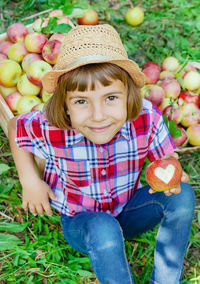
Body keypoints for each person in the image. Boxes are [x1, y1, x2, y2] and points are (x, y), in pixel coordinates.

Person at [8, 24, 195, 284]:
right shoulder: (53, 126)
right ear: (65, 104)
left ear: (129, 94)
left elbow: (166, 161)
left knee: (183, 195)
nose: (98, 116)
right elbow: (15, 125)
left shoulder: (146, 116)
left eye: (111, 98)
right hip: (83, 223)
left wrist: (174, 174)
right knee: (103, 228)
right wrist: (29, 180)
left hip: (128, 210)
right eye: (81, 101)